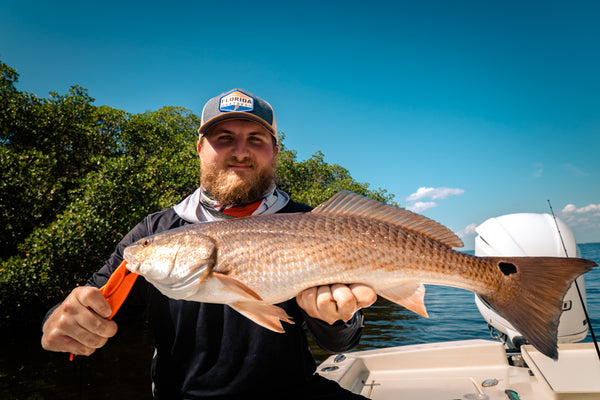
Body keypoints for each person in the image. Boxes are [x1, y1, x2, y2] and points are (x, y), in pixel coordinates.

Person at [41, 88, 377, 399]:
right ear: (200, 148)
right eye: (224, 138)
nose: (240, 151)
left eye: (256, 139)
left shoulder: (314, 223)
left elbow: (341, 342)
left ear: (275, 151)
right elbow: (97, 304)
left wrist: (335, 319)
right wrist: (60, 321)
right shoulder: (157, 230)